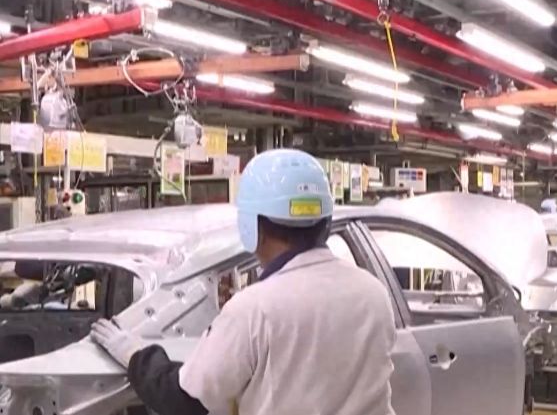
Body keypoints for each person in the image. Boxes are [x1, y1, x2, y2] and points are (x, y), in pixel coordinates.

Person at [90, 149, 397, 415]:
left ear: (251, 225)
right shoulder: (372, 292)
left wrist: (134, 355)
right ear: (326, 221)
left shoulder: (254, 309)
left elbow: (185, 399)